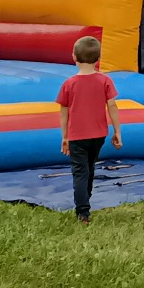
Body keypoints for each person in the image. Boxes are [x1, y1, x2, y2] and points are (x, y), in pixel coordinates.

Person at [56, 34, 123, 224]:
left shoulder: (69, 84)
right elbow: (112, 106)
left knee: (80, 171)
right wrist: (117, 131)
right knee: (89, 168)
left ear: (74, 57)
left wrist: (65, 136)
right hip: (99, 134)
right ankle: (86, 201)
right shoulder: (105, 81)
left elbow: (64, 113)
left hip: (78, 136)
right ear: (99, 59)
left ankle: (83, 212)